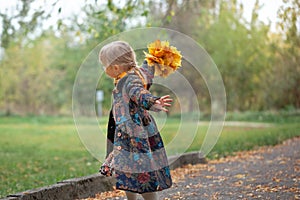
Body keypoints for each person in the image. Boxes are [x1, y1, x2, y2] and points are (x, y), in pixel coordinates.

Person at [99, 41, 173, 200]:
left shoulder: (129, 81)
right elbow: (148, 70)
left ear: (116, 67)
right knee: (126, 169)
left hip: (134, 135)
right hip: (127, 133)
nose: (104, 69)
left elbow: (139, 93)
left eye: (104, 66)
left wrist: (153, 102)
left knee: (141, 169)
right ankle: (131, 198)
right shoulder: (134, 74)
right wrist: (154, 58)